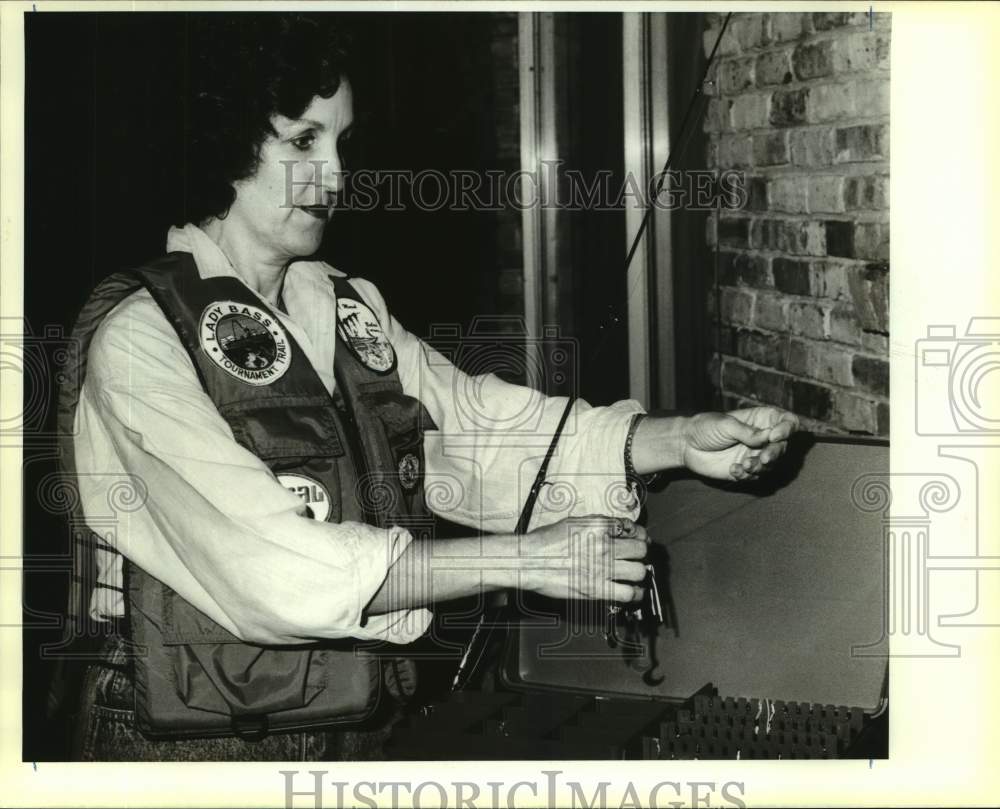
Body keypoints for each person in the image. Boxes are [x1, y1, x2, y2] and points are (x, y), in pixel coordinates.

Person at [61, 14, 798, 761]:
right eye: (302, 141)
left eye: (342, 142)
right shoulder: (142, 336)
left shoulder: (348, 310)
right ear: (226, 141)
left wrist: (677, 441)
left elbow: (479, 432)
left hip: (352, 719)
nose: (338, 176)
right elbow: (275, 567)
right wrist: (530, 558)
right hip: (191, 744)